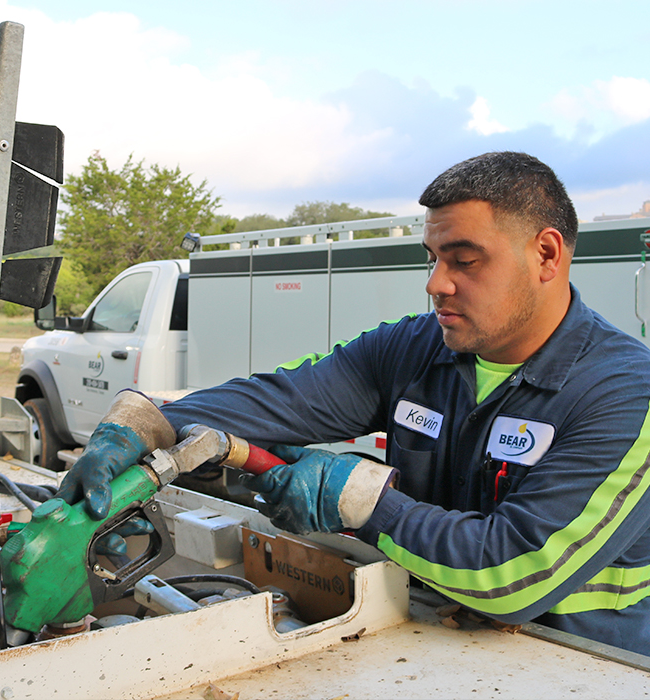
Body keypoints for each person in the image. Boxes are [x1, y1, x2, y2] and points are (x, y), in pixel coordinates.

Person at [58, 152, 650, 655]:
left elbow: (512, 572)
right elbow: (281, 399)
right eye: (433, 257)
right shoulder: (415, 348)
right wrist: (142, 426)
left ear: (547, 255)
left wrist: (363, 500)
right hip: (433, 642)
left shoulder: (624, 394)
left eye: (465, 261)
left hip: (578, 665)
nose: (436, 283)